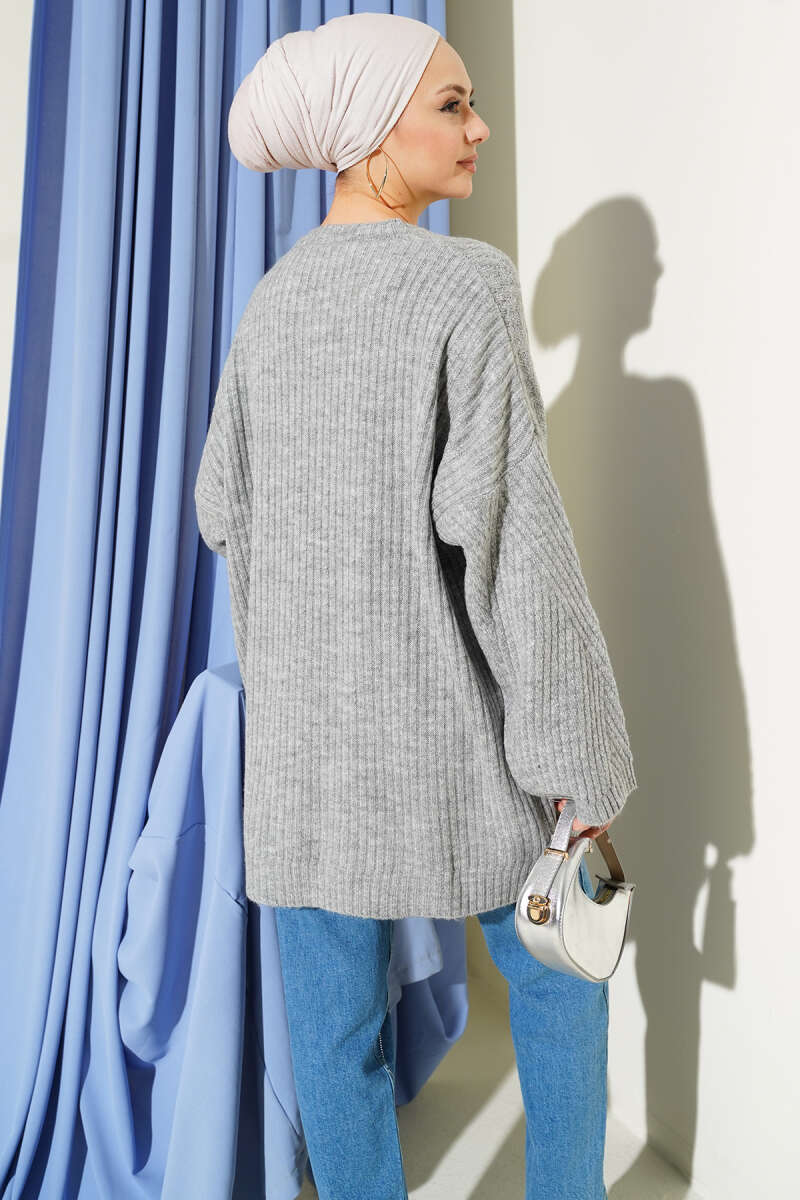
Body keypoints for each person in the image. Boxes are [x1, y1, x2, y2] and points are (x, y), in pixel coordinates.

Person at [196, 13, 637, 1198]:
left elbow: (220, 508)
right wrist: (576, 763)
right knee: (558, 982)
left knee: (336, 1042)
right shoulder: (464, 287)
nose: (477, 126)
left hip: (301, 762)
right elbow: (513, 548)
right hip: (450, 745)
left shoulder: (269, 305)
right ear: (370, 133)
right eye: (450, 105)